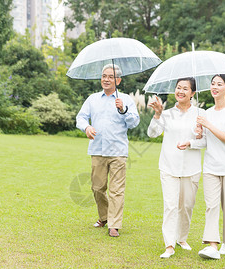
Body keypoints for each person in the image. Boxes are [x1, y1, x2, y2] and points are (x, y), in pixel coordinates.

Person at [180, 74, 225, 259]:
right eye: (213, 84)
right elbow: (207, 142)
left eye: (219, 84)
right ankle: (212, 245)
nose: (214, 87)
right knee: (211, 206)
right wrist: (194, 140)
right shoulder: (206, 112)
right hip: (210, 168)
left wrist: (208, 124)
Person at [76, 64, 140, 237]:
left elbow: (134, 122)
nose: (106, 79)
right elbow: (80, 117)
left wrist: (123, 110)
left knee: (117, 190)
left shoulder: (125, 100)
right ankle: (104, 216)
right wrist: (86, 127)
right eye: (104, 76)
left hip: (118, 151)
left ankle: (114, 224)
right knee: (97, 187)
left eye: (110, 77)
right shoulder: (93, 99)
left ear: (118, 80)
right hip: (97, 150)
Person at [147, 77, 206, 258]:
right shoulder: (167, 113)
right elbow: (152, 133)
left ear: (193, 93)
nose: (180, 91)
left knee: (187, 206)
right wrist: (157, 114)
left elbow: (205, 142)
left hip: (191, 168)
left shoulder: (201, 114)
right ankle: (169, 245)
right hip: (168, 166)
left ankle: (182, 238)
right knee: (171, 206)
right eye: (178, 88)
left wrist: (192, 141)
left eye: (185, 89)